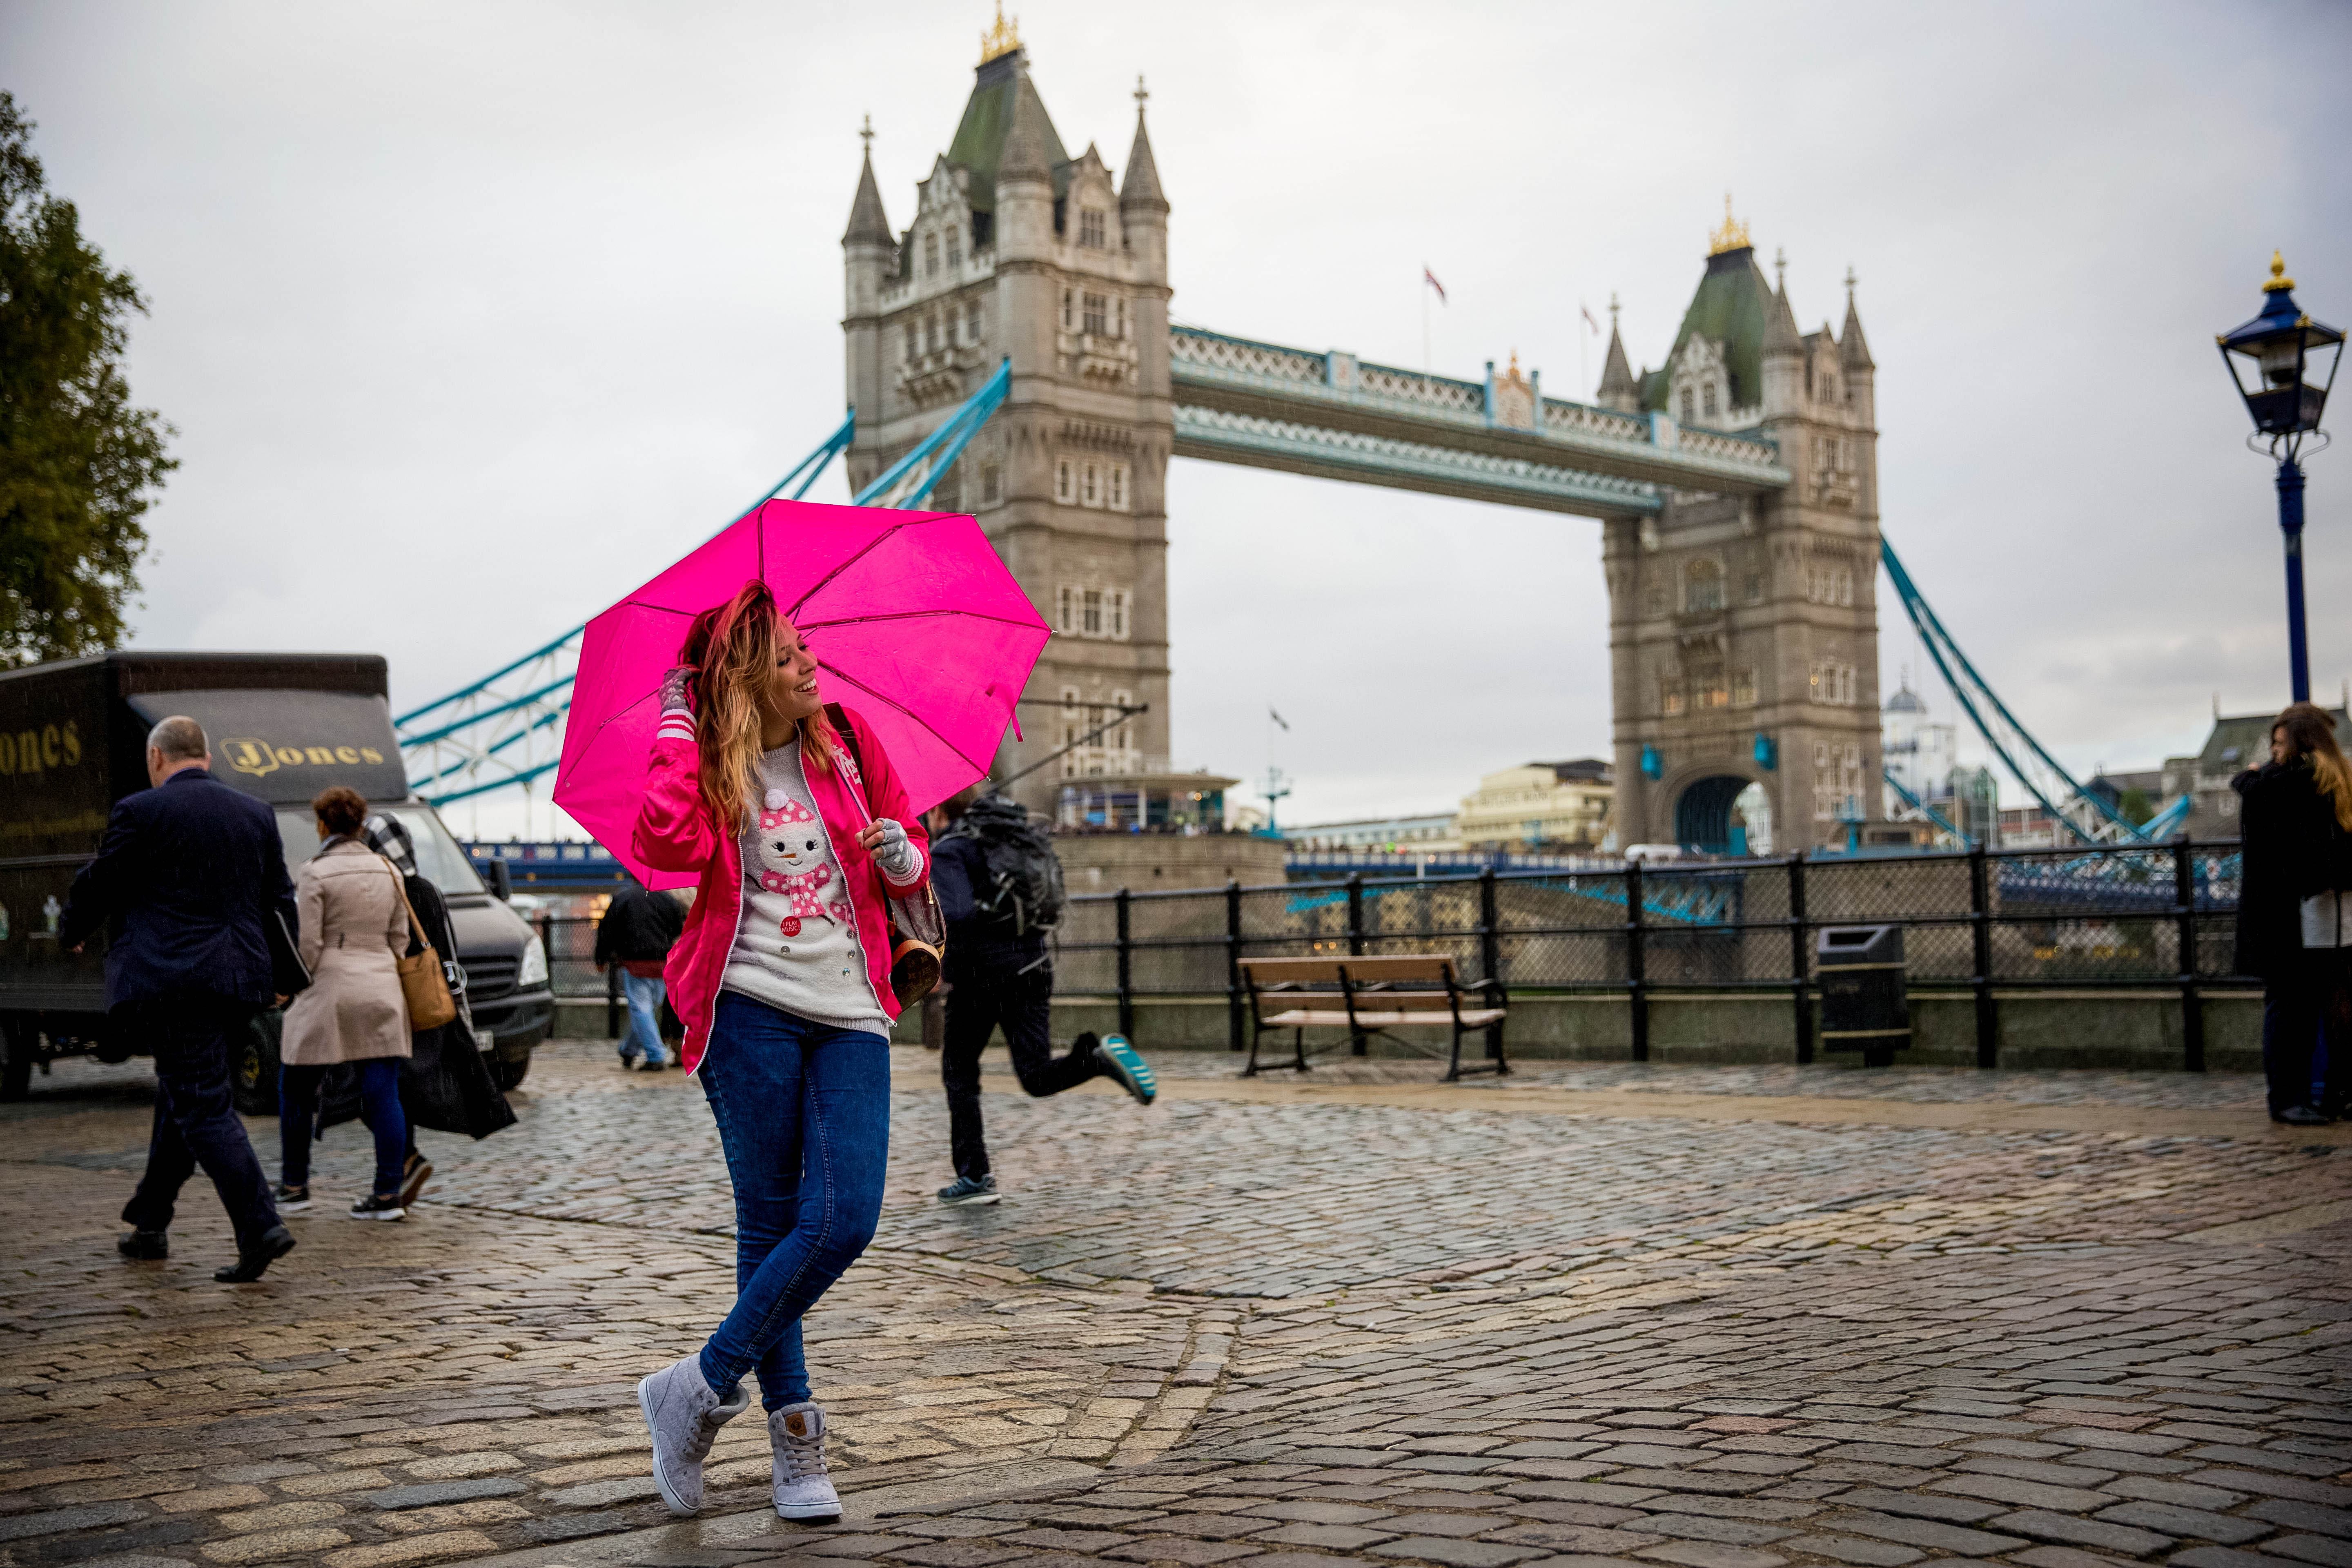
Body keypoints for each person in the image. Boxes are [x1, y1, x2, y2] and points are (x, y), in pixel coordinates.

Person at [630, 579, 931, 1524]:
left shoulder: (843, 740)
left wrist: (901, 858)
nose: (810, 665)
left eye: (807, 649)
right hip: (746, 1002)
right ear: (748, 674)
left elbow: (912, 841)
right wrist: (680, 721)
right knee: (769, 1222)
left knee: (842, 1216)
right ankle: (795, 1440)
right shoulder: (713, 765)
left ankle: (695, 1384)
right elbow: (662, 840)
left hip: (850, 1005)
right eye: (790, 655)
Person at [60, 715, 298, 1283]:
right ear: (207, 757)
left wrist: (73, 928)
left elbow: (104, 882)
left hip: (175, 984)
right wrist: (285, 974)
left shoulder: (141, 811)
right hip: (240, 982)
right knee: (183, 1097)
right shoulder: (254, 812)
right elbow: (280, 900)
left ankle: (260, 1225)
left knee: (203, 1108)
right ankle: (150, 1221)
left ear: (158, 758)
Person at [929, 785, 1155, 1207]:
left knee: (960, 1075)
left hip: (980, 978)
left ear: (941, 808)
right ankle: (1096, 1060)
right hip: (1034, 967)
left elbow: (956, 914)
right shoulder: (1012, 839)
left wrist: (940, 958)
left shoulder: (951, 849)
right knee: (1034, 1074)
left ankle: (976, 1176)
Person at [276, 786, 415, 1218]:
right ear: (360, 825)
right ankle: (388, 1195)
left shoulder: (315, 872)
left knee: (296, 1088)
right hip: (382, 987)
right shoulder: (388, 870)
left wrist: (289, 986)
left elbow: (310, 945)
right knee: (383, 1093)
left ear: (323, 825)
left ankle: (296, 1186)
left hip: (329, 989)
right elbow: (401, 938)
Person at [2232, 702, 2352, 1124]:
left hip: (2287, 915)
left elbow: (2257, 797)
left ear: (2300, 744)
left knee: (2291, 1009)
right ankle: (2309, 1096)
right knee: (2307, 1008)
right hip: (2305, 915)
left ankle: (2289, 1097)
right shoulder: (2325, 781)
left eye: (2280, 743)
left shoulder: (2284, 783)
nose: (2275, 752)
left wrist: (2248, 776)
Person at [595, 871, 686, 1071]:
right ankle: (628, 1051)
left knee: (641, 1009)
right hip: (662, 963)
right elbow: (678, 929)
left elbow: (607, 930)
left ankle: (656, 1055)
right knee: (647, 1010)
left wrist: (601, 958)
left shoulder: (623, 898)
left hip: (634, 963)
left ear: (633, 877)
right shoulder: (667, 899)